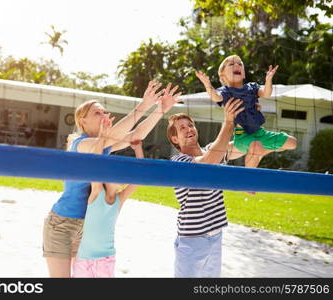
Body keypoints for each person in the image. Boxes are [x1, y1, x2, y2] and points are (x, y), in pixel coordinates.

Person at [42, 80, 182, 277]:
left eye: (104, 111)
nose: (104, 115)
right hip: (61, 225)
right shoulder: (80, 145)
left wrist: (160, 109)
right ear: (82, 121)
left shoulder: (104, 146)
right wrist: (144, 104)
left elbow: (136, 134)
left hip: (86, 228)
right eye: (97, 113)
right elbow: (110, 138)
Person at [167, 98, 244, 278]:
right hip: (192, 239)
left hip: (216, 235)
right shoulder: (179, 161)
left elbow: (243, 146)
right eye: (182, 128)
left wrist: (249, 121)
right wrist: (228, 123)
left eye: (190, 125)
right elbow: (208, 162)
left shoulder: (212, 150)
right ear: (174, 139)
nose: (188, 129)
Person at [195, 55, 297, 169]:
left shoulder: (251, 87)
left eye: (240, 64)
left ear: (243, 74)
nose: (237, 65)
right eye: (231, 64)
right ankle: (248, 180)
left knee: (292, 143)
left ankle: (261, 151)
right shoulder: (226, 91)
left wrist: (268, 80)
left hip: (260, 132)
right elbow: (216, 97)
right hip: (241, 134)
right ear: (222, 75)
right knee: (255, 146)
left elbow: (266, 93)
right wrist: (207, 85)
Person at [72, 139, 144, 278]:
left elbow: (140, 177)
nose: (119, 174)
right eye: (115, 171)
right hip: (84, 259)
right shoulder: (97, 191)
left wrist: (138, 150)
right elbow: (95, 163)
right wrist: (102, 137)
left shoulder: (119, 199)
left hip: (106, 260)